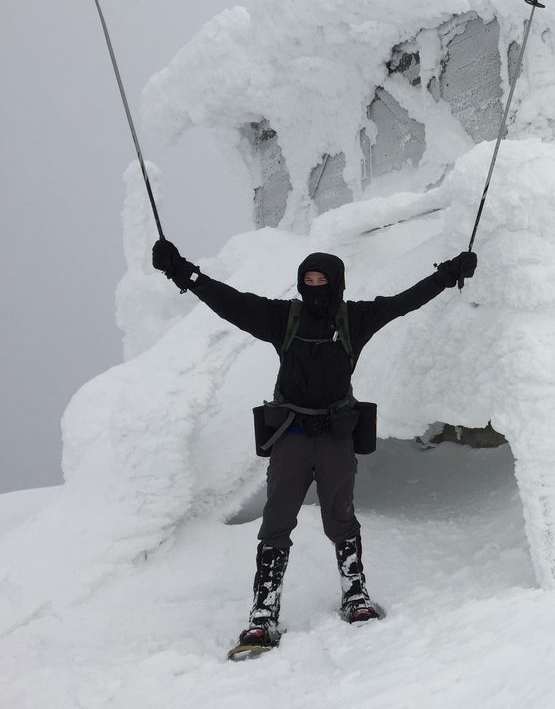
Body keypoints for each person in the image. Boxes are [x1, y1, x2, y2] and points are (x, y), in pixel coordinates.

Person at [151, 238, 477, 651]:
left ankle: (354, 593)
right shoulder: (281, 317)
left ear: (337, 283)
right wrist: (181, 271)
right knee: (276, 522)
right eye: (308, 278)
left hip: (337, 436)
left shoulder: (354, 318)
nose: (314, 285)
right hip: (291, 436)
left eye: (322, 279)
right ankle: (263, 614)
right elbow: (229, 301)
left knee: (340, 516)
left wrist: (449, 273)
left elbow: (404, 302)